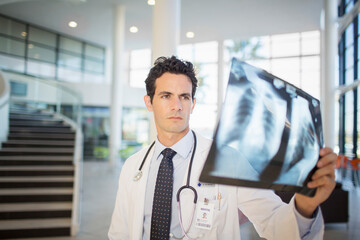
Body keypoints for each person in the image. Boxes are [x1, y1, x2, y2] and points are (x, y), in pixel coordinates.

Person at [108, 56, 337, 240]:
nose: (177, 106)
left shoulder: (228, 160)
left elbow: (273, 223)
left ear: (193, 104)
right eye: (166, 96)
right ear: (149, 102)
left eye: (184, 97)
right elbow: (118, 233)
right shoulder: (132, 167)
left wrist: (304, 206)